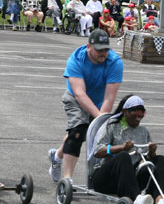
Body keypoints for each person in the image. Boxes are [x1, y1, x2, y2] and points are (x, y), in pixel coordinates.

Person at [47, 29, 123, 183]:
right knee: (77, 132)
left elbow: (110, 96)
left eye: (106, 49)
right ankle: (67, 179)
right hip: (75, 98)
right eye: (99, 50)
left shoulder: (115, 63)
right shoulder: (76, 59)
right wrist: (99, 119)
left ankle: (57, 157)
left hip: (99, 101)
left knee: (92, 134)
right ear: (89, 46)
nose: (103, 53)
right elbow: (79, 94)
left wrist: (101, 121)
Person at [91, 95, 164, 204]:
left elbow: (144, 160)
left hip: (129, 179)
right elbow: (98, 151)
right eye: (135, 111)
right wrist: (121, 148)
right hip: (105, 179)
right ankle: (135, 198)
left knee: (160, 159)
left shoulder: (143, 131)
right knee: (123, 156)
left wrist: (152, 153)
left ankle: (159, 199)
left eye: (141, 112)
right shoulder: (112, 126)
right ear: (125, 111)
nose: (139, 115)